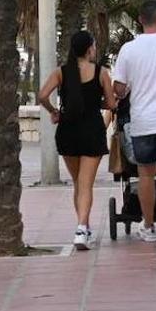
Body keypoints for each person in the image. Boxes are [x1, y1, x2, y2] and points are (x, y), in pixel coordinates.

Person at [39, 30, 116, 250]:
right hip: (92, 130)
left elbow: (42, 95)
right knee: (86, 184)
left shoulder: (61, 72)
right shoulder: (102, 73)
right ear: (90, 48)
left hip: (67, 130)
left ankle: (84, 227)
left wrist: (54, 111)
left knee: (77, 183)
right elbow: (111, 104)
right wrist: (97, 102)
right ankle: (82, 228)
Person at [113, 0, 156, 241]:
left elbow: (119, 89)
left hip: (143, 123)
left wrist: (124, 89)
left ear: (141, 20)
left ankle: (149, 226)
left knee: (146, 175)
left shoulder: (129, 50)